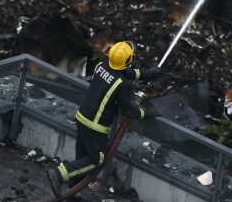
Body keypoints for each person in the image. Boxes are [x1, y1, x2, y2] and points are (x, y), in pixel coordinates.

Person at [47, 41, 161, 198]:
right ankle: (59, 174)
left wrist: (148, 74)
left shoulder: (102, 66)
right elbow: (129, 111)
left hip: (82, 117)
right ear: (127, 60)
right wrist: (149, 113)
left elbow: (124, 72)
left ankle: (73, 194)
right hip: (96, 127)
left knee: (82, 158)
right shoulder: (122, 85)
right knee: (96, 161)